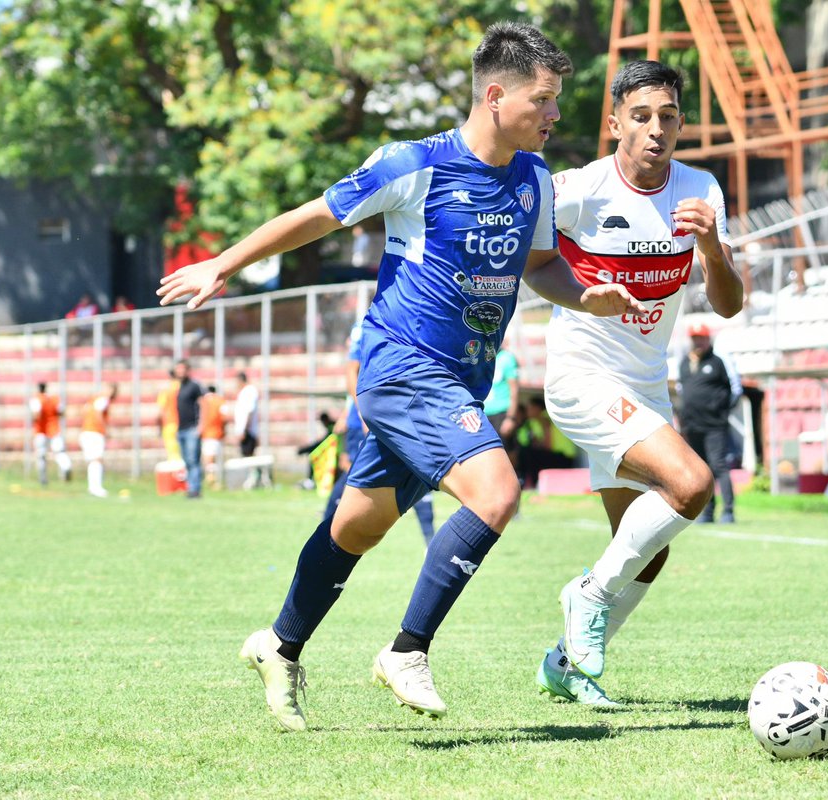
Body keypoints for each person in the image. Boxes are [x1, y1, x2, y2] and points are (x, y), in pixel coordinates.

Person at [157, 22, 643, 730]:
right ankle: (406, 650)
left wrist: (586, 294)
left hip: (461, 384)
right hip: (402, 369)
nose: (555, 114)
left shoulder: (535, 178)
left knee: (355, 529)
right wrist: (222, 265)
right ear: (496, 95)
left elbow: (541, 268)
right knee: (496, 492)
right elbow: (317, 216)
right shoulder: (414, 164)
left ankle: (280, 644)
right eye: (544, 99)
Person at [535, 60, 744, 705]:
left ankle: (566, 666)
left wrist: (712, 249)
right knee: (691, 484)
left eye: (670, 116)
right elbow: (534, 265)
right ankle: (588, 596)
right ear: (616, 120)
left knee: (649, 551)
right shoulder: (582, 188)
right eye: (643, 115)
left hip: (645, 387)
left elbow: (730, 304)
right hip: (581, 376)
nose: (657, 129)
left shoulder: (701, 190)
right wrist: (585, 298)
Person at [321, 316, 436, 545]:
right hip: (372, 419)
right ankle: (326, 538)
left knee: (420, 474)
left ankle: (429, 541)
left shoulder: (416, 320)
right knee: (355, 478)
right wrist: (363, 413)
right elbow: (351, 371)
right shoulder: (368, 325)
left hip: (403, 416)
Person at [678, 322, 743, 524]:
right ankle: (707, 512)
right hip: (692, 426)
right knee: (702, 471)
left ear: (708, 339)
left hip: (714, 426)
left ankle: (728, 511)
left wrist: (721, 412)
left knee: (719, 466)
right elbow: (682, 391)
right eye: (695, 338)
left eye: (701, 338)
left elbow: (735, 390)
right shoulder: (684, 363)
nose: (698, 342)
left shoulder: (717, 362)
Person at [515, 396, 578, 489]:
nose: (527, 410)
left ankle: (532, 484)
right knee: (527, 453)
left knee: (529, 454)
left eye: (530, 407)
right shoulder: (533, 422)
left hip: (565, 457)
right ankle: (528, 482)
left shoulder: (547, 417)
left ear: (538, 409)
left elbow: (547, 446)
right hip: (555, 455)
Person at [484, 347, 521, 467]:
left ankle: (517, 478)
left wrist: (511, 417)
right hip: (484, 412)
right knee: (487, 451)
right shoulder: (482, 357)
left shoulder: (507, 358)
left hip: (502, 412)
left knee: (507, 450)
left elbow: (514, 389)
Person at [29, 381, 72, 485]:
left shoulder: (37, 399)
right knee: (59, 452)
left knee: (41, 455)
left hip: (41, 431)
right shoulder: (54, 399)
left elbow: (36, 414)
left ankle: (43, 479)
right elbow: (62, 412)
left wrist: (34, 421)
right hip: (54, 430)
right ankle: (66, 467)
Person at [79, 382, 117, 498]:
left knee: (94, 460)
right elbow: (98, 413)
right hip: (94, 432)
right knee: (97, 460)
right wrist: (104, 428)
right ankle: (96, 488)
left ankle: (93, 486)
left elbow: (84, 411)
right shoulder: (103, 400)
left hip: (86, 431)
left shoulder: (93, 399)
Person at [173, 360, 205, 499]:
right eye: (178, 369)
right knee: (186, 460)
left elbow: (204, 405)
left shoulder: (194, 386)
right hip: (181, 429)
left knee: (193, 460)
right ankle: (190, 487)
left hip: (192, 429)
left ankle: (195, 489)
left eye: (182, 369)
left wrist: (201, 426)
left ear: (188, 370)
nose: (180, 372)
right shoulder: (179, 387)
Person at [200, 384, 227, 489]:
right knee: (213, 459)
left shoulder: (202, 401)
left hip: (204, 434)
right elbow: (224, 417)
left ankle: (212, 481)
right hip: (217, 433)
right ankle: (213, 481)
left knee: (208, 459)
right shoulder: (220, 401)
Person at [155, 371, 182, 461]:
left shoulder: (166, 391)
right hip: (184, 422)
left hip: (169, 423)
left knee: (172, 450)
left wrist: (158, 425)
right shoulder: (184, 389)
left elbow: (161, 410)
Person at [233, 371, 260, 458]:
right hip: (246, 431)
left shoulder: (249, 391)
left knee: (248, 458)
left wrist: (244, 431)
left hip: (248, 432)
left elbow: (249, 412)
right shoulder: (245, 392)